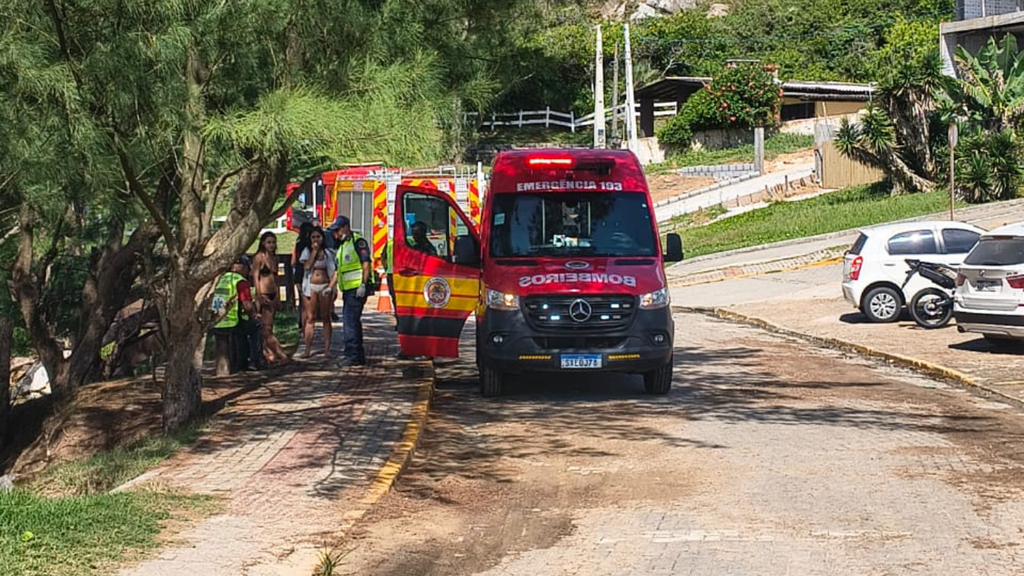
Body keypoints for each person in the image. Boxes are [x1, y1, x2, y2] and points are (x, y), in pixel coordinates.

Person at [328, 215, 372, 367]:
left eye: (338, 229)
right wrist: (330, 287)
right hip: (348, 290)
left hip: (357, 289)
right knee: (353, 321)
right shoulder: (342, 246)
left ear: (346, 226)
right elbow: (338, 270)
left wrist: (363, 285)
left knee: (349, 322)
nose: (337, 233)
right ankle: (358, 355)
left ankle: (351, 355)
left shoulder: (357, 242)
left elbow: (366, 264)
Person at [211, 255, 264, 371]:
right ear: (243, 267)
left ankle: (240, 362)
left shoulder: (221, 278)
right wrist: (254, 314)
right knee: (256, 326)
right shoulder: (240, 281)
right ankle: (256, 361)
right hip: (231, 321)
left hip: (216, 321)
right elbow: (247, 306)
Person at [252, 232, 290, 365]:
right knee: (265, 328)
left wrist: (279, 296)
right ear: (263, 243)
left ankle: (269, 355)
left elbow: (278, 278)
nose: (272, 245)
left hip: (273, 293)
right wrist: (258, 295)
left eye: (273, 242)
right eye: (269, 242)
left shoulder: (275, 258)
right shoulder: (259, 257)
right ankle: (281, 355)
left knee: (268, 327)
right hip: (263, 294)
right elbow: (255, 277)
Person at [299, 228, 337, 358]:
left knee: (326, 317)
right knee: (311, 318)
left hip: (324, 285)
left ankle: (327, 349)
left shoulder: (328, 253)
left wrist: (331, 287)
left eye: (318, 237)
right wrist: (314, 252)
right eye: (313, 237)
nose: (316, 239)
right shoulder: (306, 251)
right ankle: (307, 349)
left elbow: (334, 271)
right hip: (311, 286)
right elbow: (307, 266)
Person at [291, 222, 314, 330]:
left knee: (302, 299)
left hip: (299, 274)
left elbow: (293, 260)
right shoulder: (312, 244)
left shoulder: (298, 243)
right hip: (311, 274)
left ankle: (300, 321)